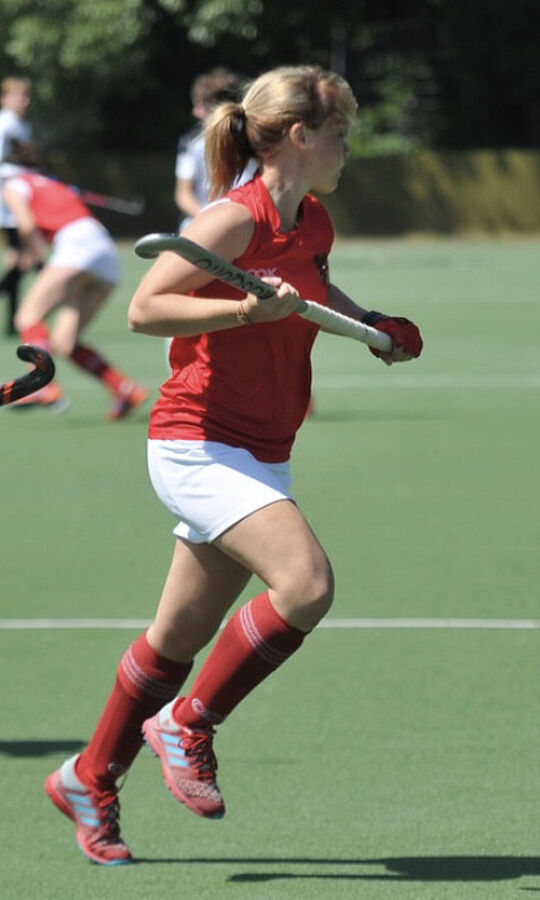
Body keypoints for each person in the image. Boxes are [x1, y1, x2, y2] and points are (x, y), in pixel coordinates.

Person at [44, 64, 423, 865]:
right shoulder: (231, 219)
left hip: (262, 447)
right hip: (197, 440)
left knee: (174, 638)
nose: (346, 148)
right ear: (298, 136)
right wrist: (243, 309)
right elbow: (148, 308)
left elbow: (318, 287)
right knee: (306, 585)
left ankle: (89, 777)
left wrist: (376, 325)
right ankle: (190, 724)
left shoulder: (309, 218)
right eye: (339, 133)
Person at [2, 166, 148, 417]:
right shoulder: (45, 183)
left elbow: (26, 227)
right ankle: (124, 388)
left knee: (27, 317)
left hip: (75, 247)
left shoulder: (12, 186)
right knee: (64, 343)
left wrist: (40, 263)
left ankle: (40, 386)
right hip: (104, 253)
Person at [174, 67, 258, 232]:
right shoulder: (191, 142)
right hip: (204, 224)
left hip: (249, 224)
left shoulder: (255, 138)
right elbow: (184, 194)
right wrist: (209, 220)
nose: (194, 112)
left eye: (197, 105)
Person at [0, 76, 38, 336]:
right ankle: (15, 319)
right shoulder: (4, 125)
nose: (23, 101)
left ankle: (12, 320)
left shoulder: (22, 126)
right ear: (5, 98)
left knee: (18, 258)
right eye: (17, 96)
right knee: (24, 257)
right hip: (7, 199)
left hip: (19, 196)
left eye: (25, 96)